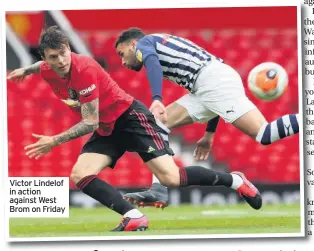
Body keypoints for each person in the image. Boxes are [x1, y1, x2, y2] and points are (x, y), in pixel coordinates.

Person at [8, 27, 263, 231]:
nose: (62, 61)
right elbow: (39, 68)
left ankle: (236, 181)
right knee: (80, 174)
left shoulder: (83, 68)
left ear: (68, 49)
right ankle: (133, 217)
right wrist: (24, 70)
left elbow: (89, 122)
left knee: (170, 179)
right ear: (45, 59)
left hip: (130, 118)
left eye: (64, 53)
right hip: (109, 128)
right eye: (54, 57)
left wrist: (54, 141)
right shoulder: (45, 69)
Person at [114, 27, 299, 208]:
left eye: (122, 54)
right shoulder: (161, 41)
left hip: (211, 82)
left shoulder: (143, 44)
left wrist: (156, 99)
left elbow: (152, 61)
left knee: (264, 134)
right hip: (206, 84)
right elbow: (210, 88)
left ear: (132, 44)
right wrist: (209, 133)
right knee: (154, 125)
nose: (122, 62)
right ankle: (159, 189)